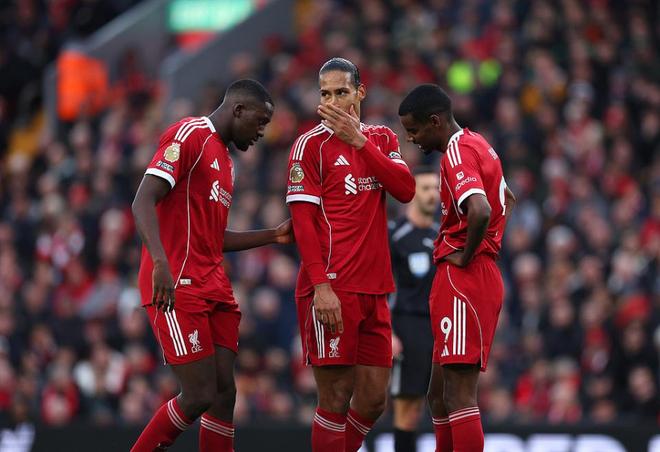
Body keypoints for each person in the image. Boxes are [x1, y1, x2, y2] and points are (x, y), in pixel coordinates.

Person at [130, 79, 293, 452]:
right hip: (177, 284)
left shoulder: (226, 163)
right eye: (260, 122)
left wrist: (273, 235)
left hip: (213, 285)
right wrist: (160, 263)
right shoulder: (190, 135)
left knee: (224, 393)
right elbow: (143, 200)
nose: (261, 132)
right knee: (199, 394)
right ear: (238, 110)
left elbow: (213, 237)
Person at [286, 57, 415, 452]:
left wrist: (359, 142)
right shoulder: (309, 146)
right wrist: (321, 287)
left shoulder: (382, 138)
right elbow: (302, 224)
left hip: (375, 288)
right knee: (335, 397)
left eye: (341, 92)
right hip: (333, 288)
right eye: (325, 94)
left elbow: (405, 190)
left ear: (360, 92)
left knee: (374, 400)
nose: (332, 102)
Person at [398, 84, 516, 452]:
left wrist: (466, 254)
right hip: (470, 275)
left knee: (459, 396)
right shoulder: (478, 143)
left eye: (414, 130)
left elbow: (480, 209)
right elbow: (507, 198)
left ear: (435, 121)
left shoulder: (456, 152)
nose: (411, 139)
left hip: (465, 276)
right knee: (438, 395)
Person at [389, 166, 440, 452]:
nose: (433, 195)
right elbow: (383, 286)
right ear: (412, 193)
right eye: (426, 188)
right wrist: (389, 332)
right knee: (406, 407)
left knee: (435, 406)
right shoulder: (394, 234)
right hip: (406, 326)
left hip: (438, 328)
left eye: (436, 188)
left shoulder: (441, 234)